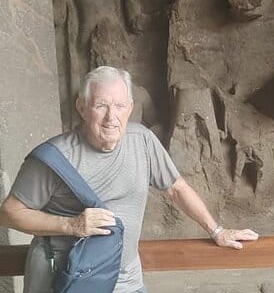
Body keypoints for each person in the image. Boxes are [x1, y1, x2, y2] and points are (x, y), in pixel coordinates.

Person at [0, 66, 259, 293]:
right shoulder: (54, 158)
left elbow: (176, 188)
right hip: (68, 280)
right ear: (82, 107)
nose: (111, 117)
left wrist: (217, 231)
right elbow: (9, 213)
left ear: (130, 108)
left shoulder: (142, 140)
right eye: (101, 106)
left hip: (127, 281)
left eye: (120, 106)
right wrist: (70, 225)